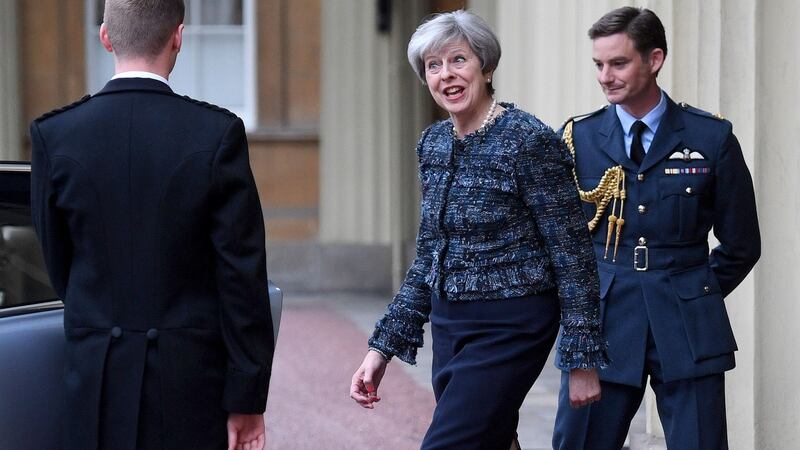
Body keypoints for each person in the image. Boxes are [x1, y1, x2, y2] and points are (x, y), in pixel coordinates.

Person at [349, 10, 608, 449]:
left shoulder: (527, 139)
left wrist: (581, 360)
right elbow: (429, 256)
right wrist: (381, 350)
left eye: (458, 60)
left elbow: (572, 252)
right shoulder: (432, 144)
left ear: (485, 67)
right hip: (451, 325)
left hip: (513, 324)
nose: (446, 75)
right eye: (433, 66)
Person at [29, 1, 274, 449]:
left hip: (95, 373)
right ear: (178, 36)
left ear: (105, 36)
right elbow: (241, 278)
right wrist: (246, 397)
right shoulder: (216, 133)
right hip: (189, 378)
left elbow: (59, 263)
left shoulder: (54, 134)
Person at [552, 6, 761, 450]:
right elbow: (561, 246)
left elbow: (742, 244)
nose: (605, 76)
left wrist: (694, 293)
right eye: (599, 64)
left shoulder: (711, 138)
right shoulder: (578, 139)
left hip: (687, 324)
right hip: (605, 323)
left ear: (655, 59)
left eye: (619, 62)